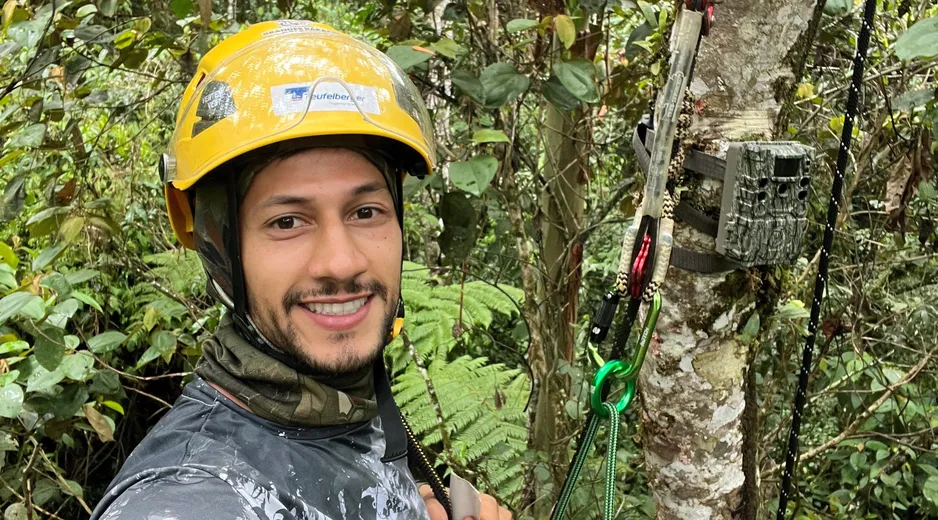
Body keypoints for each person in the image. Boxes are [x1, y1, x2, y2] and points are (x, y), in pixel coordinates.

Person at [90, 20, 511, 520]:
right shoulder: (188, 496)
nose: (342, 262)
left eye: (365, 212)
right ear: (219, 247)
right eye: (287, 221)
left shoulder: (345, 410)